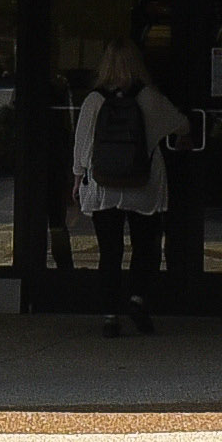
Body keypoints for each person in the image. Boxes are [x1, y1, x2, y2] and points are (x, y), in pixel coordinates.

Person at [68, 36, 202, 339]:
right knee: (146, 246)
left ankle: (109, 315)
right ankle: (137, 298)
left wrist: (78, 177)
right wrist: (184, 135)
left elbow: (82, 144)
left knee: (110, 251)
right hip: (143, 183)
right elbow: (181, 123)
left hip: (104, 185)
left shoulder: (94, 100)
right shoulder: (149, 98)